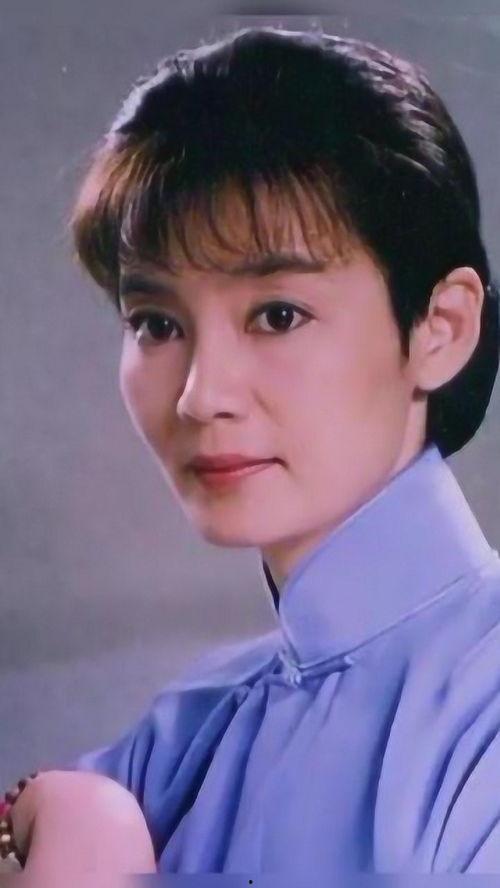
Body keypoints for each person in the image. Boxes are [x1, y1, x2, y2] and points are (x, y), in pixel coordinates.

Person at [3, 23, 500, 876]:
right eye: (155, 323)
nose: (200, 395)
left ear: (441, 328)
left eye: (277, 315)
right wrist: (72, 814)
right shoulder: (180, 735)